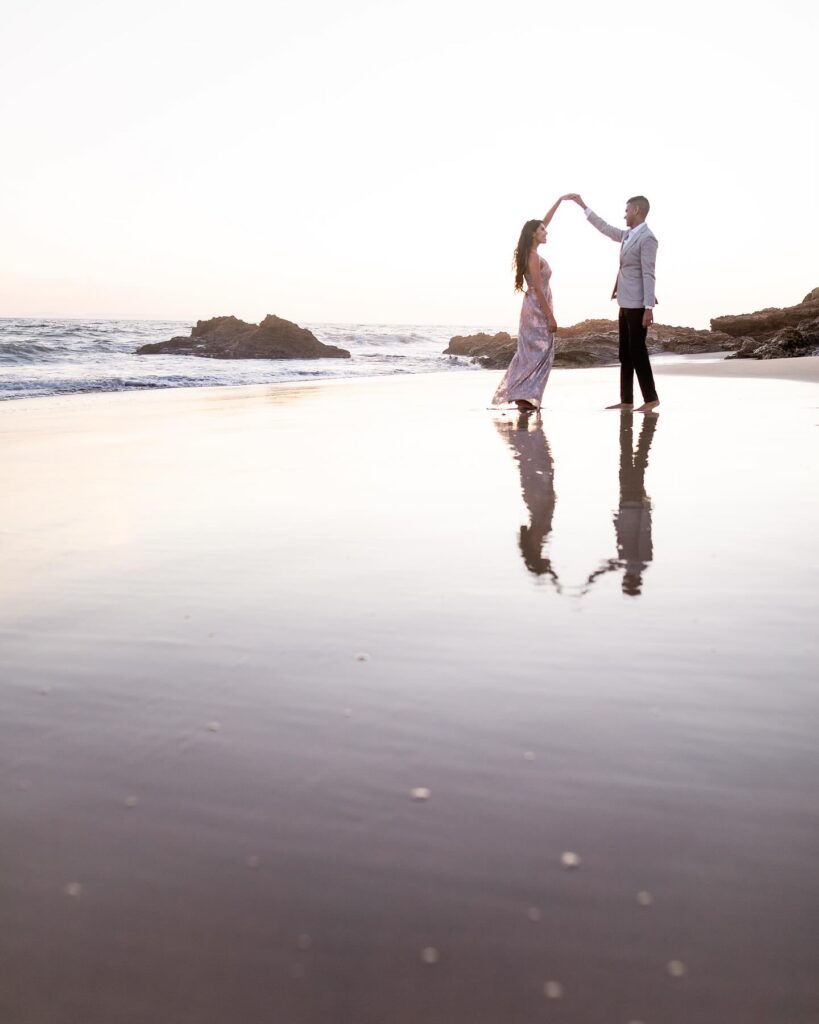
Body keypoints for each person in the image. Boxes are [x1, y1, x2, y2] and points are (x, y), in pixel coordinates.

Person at [566, 193, 660, 412]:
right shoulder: (628, 235)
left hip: (638, 304)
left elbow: (649, 273)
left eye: (626, 210)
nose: (624, 214)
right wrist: (583, 206)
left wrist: (649, 308)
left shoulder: (648, 238)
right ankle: (626, 400)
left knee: (638, 351)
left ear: (636, 210)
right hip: (624, 302)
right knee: (624, 353)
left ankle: (651, 398)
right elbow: (605, 228)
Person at [491, 197, 568, 413]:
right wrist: (550, 316)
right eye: (542, 230)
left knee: (534, 353)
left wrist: (559, 202)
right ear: (534, 234)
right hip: (536, 308)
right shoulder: (533, 257)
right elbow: (536, 288)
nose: (546, 232)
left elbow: (543, 222)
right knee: (538, 353)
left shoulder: (531, 251)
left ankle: (524, 396)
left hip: (534, 307)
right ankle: (522, 397)